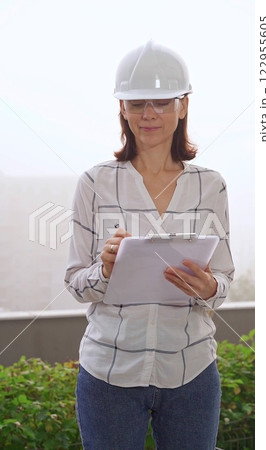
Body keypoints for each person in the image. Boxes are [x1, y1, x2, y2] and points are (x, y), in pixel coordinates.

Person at [64, 40, 235, 450]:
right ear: (122, 108)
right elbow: (74, 282)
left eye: (162, 101)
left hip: (192, 373)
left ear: (184, 105)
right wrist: (104, 270)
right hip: (109, 376)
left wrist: (208, 288)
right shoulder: (94, 182)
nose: (150, 114)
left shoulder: (210, 186)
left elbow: (224, 281)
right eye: (137, 103)